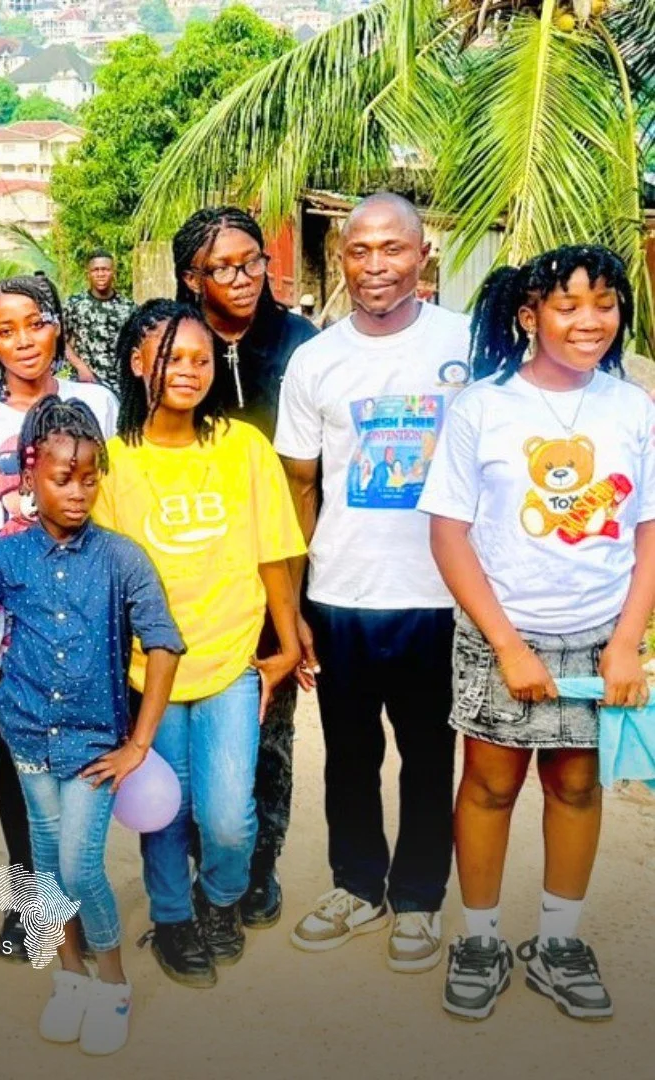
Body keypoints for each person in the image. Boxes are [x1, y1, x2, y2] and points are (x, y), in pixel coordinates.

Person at [420, 245, 655, 1022]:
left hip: (598, 638)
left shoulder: (633, 409)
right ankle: (480, 941)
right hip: (502, 637)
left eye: (605, 304)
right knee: (489, 787)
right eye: (568, 305)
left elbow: (649, 530)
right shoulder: (482, 409)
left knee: (577, 787)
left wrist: (627, 643)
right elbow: (449, 536)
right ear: (529, 316)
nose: (591, 320)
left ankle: (558, 945)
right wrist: (509, 646)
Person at [0, 395, 183, 1056]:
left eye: (89, 478)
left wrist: (138, 744)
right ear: (30, 475)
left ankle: (113, 984)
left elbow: (164, 643)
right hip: (26, 737)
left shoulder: (122, 559)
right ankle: (69, 976)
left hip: (93, 745)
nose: (78, 492)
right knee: (47, 868)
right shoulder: (9, 556)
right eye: (62, 478)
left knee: (79, 867)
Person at [273, 193, 468, 974]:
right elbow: (299, 486)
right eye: (360, 250)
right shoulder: (316, 360)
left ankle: (418, 899)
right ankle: (357, 887)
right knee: (349, 755)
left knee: (429, 755)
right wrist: (297, 604)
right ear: (341, 258)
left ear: (423, 254)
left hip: (440, 596)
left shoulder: (468, 345)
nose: (376, 265)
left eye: (393, 248)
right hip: (344, 595)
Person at [93, 300, 304, 987]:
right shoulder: (114, 461)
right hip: (147, 671)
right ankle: (173, 918)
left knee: (228, 815)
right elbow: (103, 577)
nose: (187, 370)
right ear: (136, 364)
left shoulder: (244, 448)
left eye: (200, 359)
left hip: (230, 659)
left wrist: (287, 642)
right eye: (170, 358)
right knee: (165, 808)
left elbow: (275, 552)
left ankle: (221, 899)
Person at [0, 275, 118, 958]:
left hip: (77, 626)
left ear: (57, 324)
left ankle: (78, 899)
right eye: (5, 330)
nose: (23, 341)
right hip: (2, 632)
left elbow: (113, 504)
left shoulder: (97, 402)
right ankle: (33, 904)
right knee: (19, 772)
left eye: (35, 323)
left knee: (79, 771)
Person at [173, 206, 320, 927]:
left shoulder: (301, 345)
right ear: (190, 278)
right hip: (189, 575)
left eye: (252, 261)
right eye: (222, 267)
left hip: (277, 571)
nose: (242, 278)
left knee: (268, 734)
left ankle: (259, 871)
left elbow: (310, 478)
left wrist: (299, 600)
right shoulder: (173, 343)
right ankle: (201, 872)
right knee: (191, 741)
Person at [65, 249, 136, 387]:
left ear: (113, 272)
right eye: (95, 270)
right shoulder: (74, 304)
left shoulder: (129, 308)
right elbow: (59, 341)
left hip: (119, 384)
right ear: (88, 274)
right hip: (85, 382)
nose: (100, 274)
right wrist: (80, 367)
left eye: (105, 269)